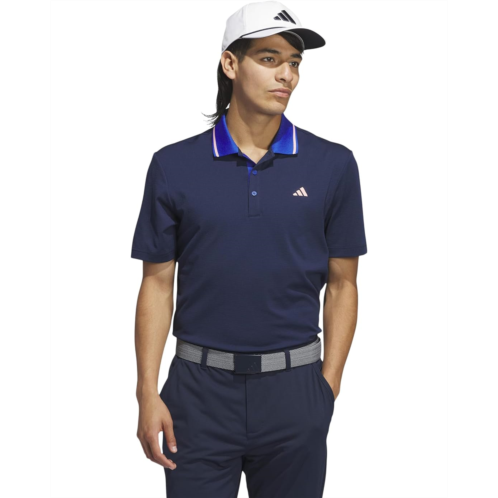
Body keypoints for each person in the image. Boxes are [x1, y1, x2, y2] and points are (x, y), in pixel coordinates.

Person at [131, 1, 367, 496]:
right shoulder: (173, 166)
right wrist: (146, 391)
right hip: (197, 395)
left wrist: (326, 388)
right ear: (230, 64)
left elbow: (344, 284)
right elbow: (156, 283)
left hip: (295, 392)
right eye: (269, 58)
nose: (287, 75)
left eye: (295, 62)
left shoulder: (333, 165)